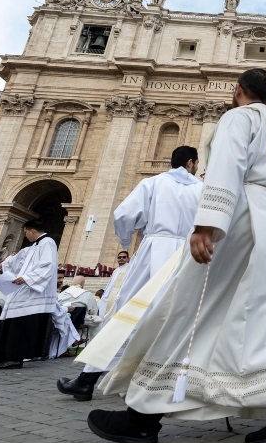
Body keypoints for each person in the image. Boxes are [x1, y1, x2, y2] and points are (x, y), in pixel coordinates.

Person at [87, 68, 266, 443]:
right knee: (261, 315)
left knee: (190, 307)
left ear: (238, 89)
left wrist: (207, 223)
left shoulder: (237, 118)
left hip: (238, 219)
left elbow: (225, 170)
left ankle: (142, 416)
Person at [59, 147, 203, 402]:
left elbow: (124, 215)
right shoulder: (201, 189)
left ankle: (87, 380)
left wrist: (126, 239)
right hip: (188, 255)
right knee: (182, 318)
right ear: (190, 163)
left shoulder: (153, 183)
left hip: (153, 252)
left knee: (127, 316)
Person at [0, 220, 60, 370]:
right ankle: (4, 357)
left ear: (32, 230)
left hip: (32, 292)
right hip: (24, 290)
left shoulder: (47, 243)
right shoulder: (34, 246)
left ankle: (14, 358)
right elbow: (17, 262)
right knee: (13, 323)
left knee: (20, 325)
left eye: (26, 232)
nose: (25, 235)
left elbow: (48, 265)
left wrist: (28, 278)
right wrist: (9, 261)